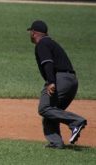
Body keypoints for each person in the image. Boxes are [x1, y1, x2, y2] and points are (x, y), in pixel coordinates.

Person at [27, 20, 87, 149]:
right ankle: (56, 143)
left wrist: (51, 82)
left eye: (30, 32)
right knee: (51, 112)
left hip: (60, 79)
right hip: (71, 81)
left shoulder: (42, 44)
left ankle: (76, 121)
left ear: (34, 33)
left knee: (44, 108)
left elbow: (48, 63)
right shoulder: (51, 42)